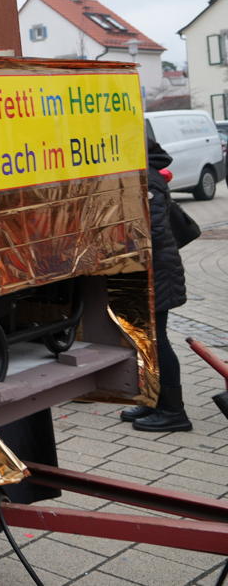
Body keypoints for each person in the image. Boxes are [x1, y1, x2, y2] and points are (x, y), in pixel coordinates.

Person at [121, 136, 193, 432]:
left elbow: (154, 232)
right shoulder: (141, 175)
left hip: (156, 274)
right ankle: (154, 400)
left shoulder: (148, 179)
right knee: (145, 340)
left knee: (157, 340)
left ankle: (174, 412)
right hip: (148, 272)